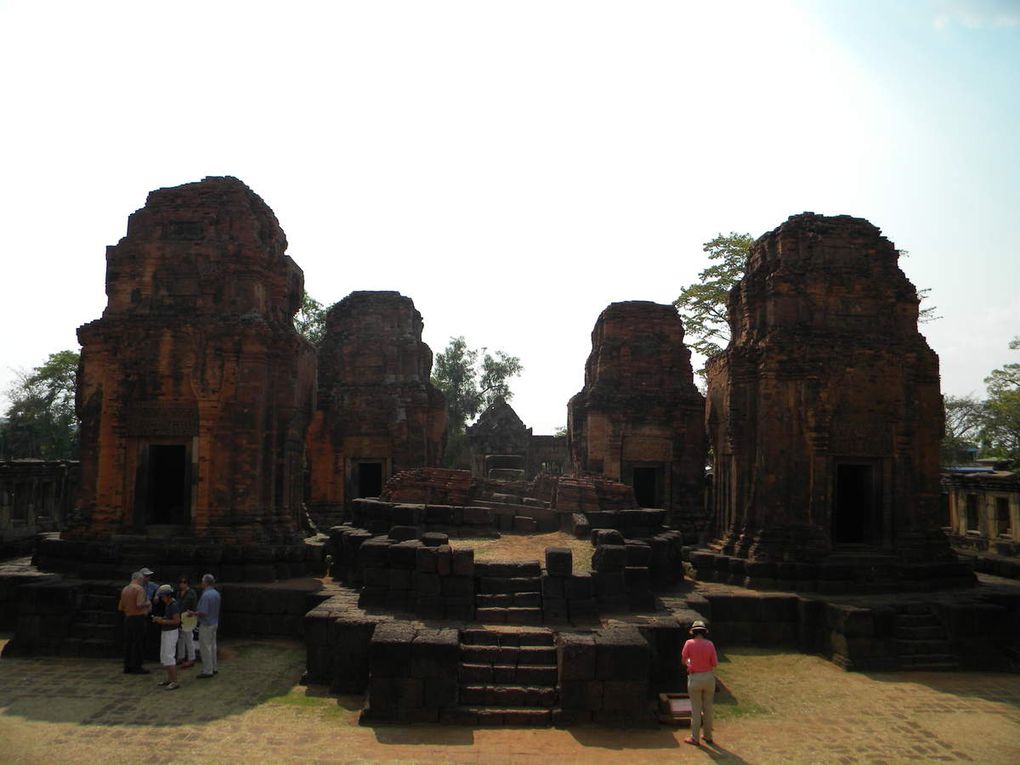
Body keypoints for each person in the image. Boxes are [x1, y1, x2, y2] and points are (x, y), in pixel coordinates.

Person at [682, 619, 718, 746]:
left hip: (695, 677)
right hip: (708, 677)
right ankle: (708, 736)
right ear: (704, 632)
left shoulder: (689, 643)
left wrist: (690, 664)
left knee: (695, 709)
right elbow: (714, 663)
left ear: (693, 632)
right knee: (708, 708)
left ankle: (695, 738)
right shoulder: (710, 644)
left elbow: (684, 659)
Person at [118, 571, 152, 674]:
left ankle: (127, 665)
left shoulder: (125, 589)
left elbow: (120, 607)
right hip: (138, 618)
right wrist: (148, 603)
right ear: (139, 579)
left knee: (128, 643)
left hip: (128, 617)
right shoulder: (139, 589)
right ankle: (137, 666)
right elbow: (139, 603)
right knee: (138, 643)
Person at [152, 584, 181, 690]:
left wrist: (162, 621)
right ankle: (170, 679)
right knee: (165, 656)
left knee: (169, 656)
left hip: (171, 633)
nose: (161, 598)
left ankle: (174, 681)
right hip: (166, 631)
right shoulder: (168, 604)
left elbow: (177, 621)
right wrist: (161, 619)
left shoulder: (173, 605)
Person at [192, 573, 221, 678]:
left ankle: (208, 670)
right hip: (214, 622)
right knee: (213, 646)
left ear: (205, 582)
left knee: (205, 648)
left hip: (206, 623)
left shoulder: (206, 595)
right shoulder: (216, 593)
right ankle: (214, 667)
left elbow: (203, 612)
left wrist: (194, 614)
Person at [176, 576, 198, 668]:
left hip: (188, 617)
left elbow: (194, 605)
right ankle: (181, 656)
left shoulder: (191, 593)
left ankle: (191, 658)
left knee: (189, 638)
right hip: (180, 617)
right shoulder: (179, 593)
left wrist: (193, 613)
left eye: (184, 582)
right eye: (181, 582)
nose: (182, 584)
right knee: (181, 638)